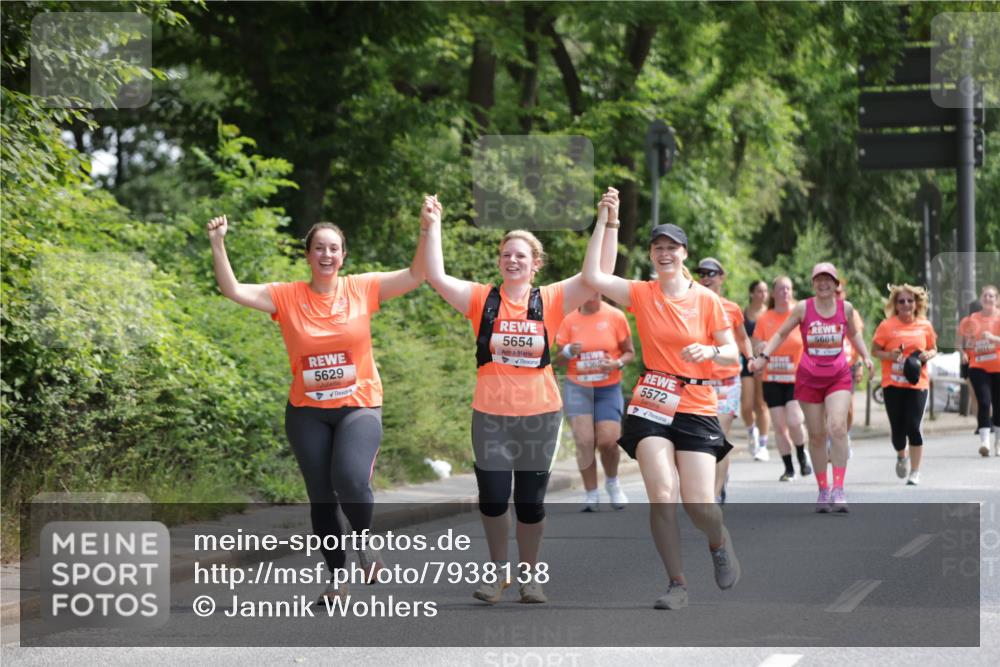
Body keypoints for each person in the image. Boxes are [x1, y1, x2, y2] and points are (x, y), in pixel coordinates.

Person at [206, 210, 426, 602]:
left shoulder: (362, 288)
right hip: (306, 411)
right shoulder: (286, 295)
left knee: (351, 479)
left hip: (359, 404)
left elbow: (415, 275)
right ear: (308, 255)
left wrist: (427, 229)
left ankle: (364, 540)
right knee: (322, 495)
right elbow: (233, 289)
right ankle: (335, 578)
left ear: (343, 257)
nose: (327, 254)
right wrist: (218, 243)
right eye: (319, 248)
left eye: (334, 249)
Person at [422, 190, 620, 604]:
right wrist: (431, 225)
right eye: (506, 255)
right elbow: (436, 276)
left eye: (520, 256)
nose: (512, 261)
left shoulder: (549, 300)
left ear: (536, 264)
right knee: (493, 499)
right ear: (500, 261)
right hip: (490, 416)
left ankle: (531, 577)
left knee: (529, 505)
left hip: (539, 415)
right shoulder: (482, 299)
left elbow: (598, 273)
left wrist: (606, 222)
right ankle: (498, 575)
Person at [583, 215, 741, 611]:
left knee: (699, 504)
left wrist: (710, 351)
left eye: (672, 247)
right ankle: (677, 583)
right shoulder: (642, 293)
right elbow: (594, 275)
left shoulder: (707, 300)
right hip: (652, 400)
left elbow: (732, 351)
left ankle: (719, 541)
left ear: (684, 253)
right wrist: (608, 221)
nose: (665, 253)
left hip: (697, 404)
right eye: (658, 247)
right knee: (662, 494)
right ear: (652, 255)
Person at [751, 263, 873, 513]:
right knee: (816, 435)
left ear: (836, 284)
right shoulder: (803, 308)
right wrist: (764, 356)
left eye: (829, 279)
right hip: (808, 377)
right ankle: (823, 490)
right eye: (819, 279)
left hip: (838, 375)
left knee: (837, 427)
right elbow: (781, 334)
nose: (824, 283)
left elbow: (854, 335)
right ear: (813, 283)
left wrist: (866, 356)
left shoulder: (846, 308)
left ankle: (838, 490)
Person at [554, 292, 635, 512]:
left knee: (608, 441)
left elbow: (630, 353)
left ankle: (612, 482)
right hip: (578, 388)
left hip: (607, 388)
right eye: (587, 290)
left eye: (597, 291)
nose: (592, 295)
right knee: (584, 441)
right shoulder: (569, 319)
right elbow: (558, 359)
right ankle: (591, 493)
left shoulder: (615, 316)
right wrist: (569, 351)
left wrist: (617, 363)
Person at [695, 258, 755, 504]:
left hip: (728, 381)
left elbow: (742, 339)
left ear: (722, 277)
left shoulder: (731, 308)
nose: (706, 277)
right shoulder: (692, 306)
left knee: (717, 436)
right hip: (700, 382)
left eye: (712, 273)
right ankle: (712, 484)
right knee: (701, 440)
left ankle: (715, 494)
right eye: (702, 273)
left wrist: (750, 357)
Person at [871, 284, 938, 484]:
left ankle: (915, 472)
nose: (906, 304)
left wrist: (928, 354)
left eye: (910, 300)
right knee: (898, 433)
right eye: (901, 301)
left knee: (914, 426)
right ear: (896, 305)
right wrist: (890, 355)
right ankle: (901, 455)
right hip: (893, 384)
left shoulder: (924, 325)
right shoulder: (886, 326)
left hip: (918, 384)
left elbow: (933, 348)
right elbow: (875, 350)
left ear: (916, 303)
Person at [750, 277, 810, 482]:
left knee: (795, 420)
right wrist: (759, 348)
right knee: (779, 425)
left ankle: (802, 455)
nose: (785, 292)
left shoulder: (800, 314)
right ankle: (788, 468)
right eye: (780, 289)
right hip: (772, 378)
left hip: (796, 377)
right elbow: (756, 345)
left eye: (788, 288)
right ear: (773, 293)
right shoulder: (765, 318)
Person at [958, 285, 1000, 456]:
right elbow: (961, 342)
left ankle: (998, 442)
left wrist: (993, 338)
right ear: (981, 299)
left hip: (998, 367)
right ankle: (985, 442)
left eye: (992, 296)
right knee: (984, 401)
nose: (988, 298)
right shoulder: (970, 320)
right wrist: (963, 353)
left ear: (997, 300)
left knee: (998, 405)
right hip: (978, 366)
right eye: (985, 296)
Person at [741, 280, 772, 461]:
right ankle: (752, 431)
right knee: (746, 406)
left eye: (765, 291)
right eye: (759, 291)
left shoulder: (769, 314)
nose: (763, 295)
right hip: (746, 363)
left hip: (764, 363)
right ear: (752, 293)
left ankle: (763, 445)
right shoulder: (743, 313)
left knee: (761, 404)